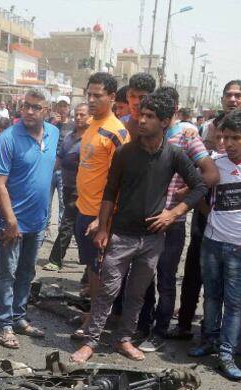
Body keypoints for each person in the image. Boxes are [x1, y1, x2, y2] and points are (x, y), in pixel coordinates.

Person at [71, 91, 207, 363]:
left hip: (153, 239)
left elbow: (200, 186)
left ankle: (124, 338)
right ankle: (92, 341)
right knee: (107, 291)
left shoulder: (174, 155)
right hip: (121, 236)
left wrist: (174, 213)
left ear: (165, 122)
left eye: (149, 117)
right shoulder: (125, 153)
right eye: (141, 115)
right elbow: (110, 192)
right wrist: (102, 229)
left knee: (137, 294)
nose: (142, 121)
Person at [135, 87, 219, 352]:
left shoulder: (186, 137)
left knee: (166, 277)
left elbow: (210, 175)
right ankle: (142, 326)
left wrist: (184, 198)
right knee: (143, 277)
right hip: (146, 220)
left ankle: (159, 331)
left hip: (172, 222)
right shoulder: (146, 135)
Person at [190, 108, 241, 381]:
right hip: (211, 243)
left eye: (236, 137)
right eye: (224, 137)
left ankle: (226, 353)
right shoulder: (215, 162)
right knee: (211, 296)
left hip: (240, 249)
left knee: (234, 304)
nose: (229, 144)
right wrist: (206, 212)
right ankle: (208, 340)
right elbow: (197, 189)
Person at [0, 88, 59, 350]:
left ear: (47, 111)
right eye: (26, 106)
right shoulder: (8, 138)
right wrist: (10, 220)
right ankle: (5, 324)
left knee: (27, 271)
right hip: (12, 222)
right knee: (7, 273)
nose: (29, 111)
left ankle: (19, 318)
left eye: (36, 107)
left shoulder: (53, 133)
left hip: (38, 221)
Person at [74, 72, 129, 338]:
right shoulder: (92, 125)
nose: (92, 100)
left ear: (112, 97)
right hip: (83, 211)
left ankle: (95, 323)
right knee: (92, 269)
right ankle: (95, 315)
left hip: (100, 216)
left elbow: (119, 182)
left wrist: (103, 219)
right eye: (90, 95)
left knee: (99, 271)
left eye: (98, 96)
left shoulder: (117, 131)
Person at [44, 103, 90, 270]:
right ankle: (86, 259)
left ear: (89, 117)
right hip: (67, 186)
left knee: (67, 223)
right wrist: (44, 173)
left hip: (83, 189)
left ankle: (55, 260)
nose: (78, 118)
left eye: (82, 115)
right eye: (76, 114)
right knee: (78, 225)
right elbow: (59, 159)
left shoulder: (92, 139)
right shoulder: (69, 137)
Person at [203, 80, 241, 151]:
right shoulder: (209, 126)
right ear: (222, 100)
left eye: (238, 96)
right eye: (228, 95)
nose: (232, 99)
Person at [123, 73, 156, 137]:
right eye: (132, 96)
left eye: (142, 97)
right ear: (127, 96)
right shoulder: (121, 124)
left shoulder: (159, 126)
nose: (136, 102)